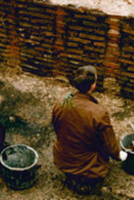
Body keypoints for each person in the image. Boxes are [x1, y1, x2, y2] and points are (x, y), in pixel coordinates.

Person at [52, 66, 125, 195]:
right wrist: (119, 155)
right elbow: (110, 145)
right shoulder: (99, 113)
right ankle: (85, 182)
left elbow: (56, 127)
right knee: (103, 147)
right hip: (86, 167)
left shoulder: (61, 102)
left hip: (62, 158)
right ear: (93, 86)